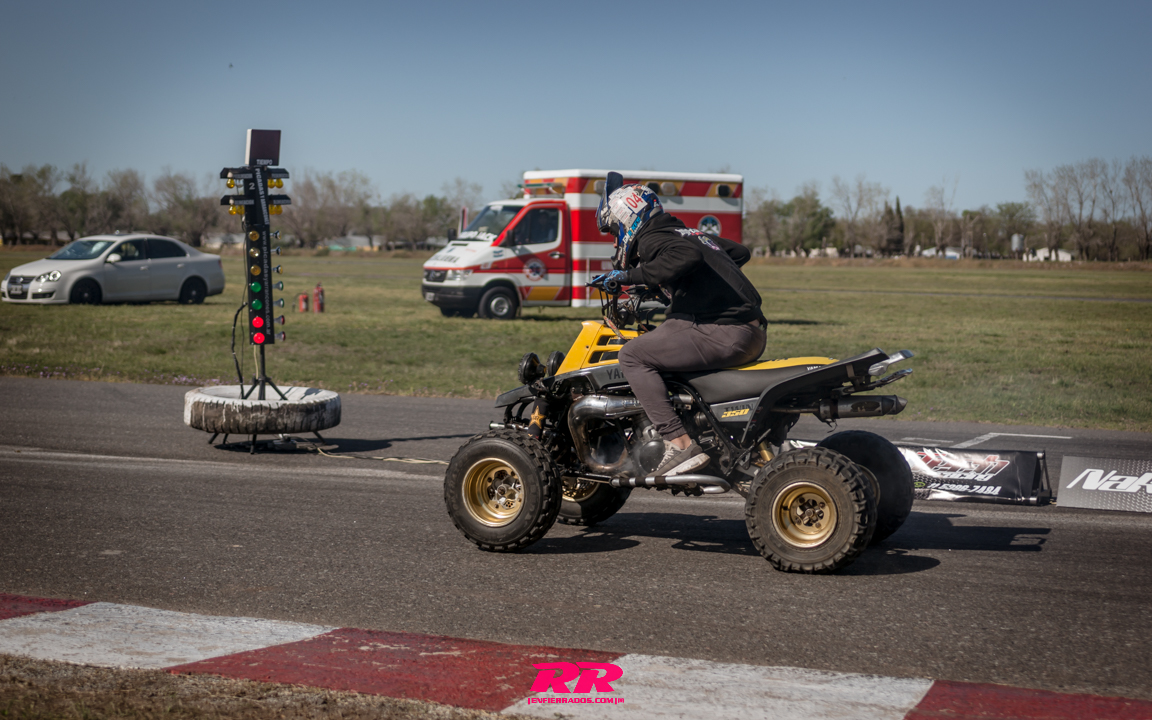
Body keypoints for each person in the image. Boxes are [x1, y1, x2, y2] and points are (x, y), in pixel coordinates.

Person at [592, 173, 767, 476]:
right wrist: (689, 285)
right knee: (669, 331)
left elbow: (686, 256)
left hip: (725, 331)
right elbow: (738, 252)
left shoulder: (652, 239)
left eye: (614, 230)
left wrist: (629, 276)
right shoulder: (688, 233)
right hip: (750, 330)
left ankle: (679, 442)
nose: (616, 239)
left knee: (632, 355)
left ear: (626, 217)